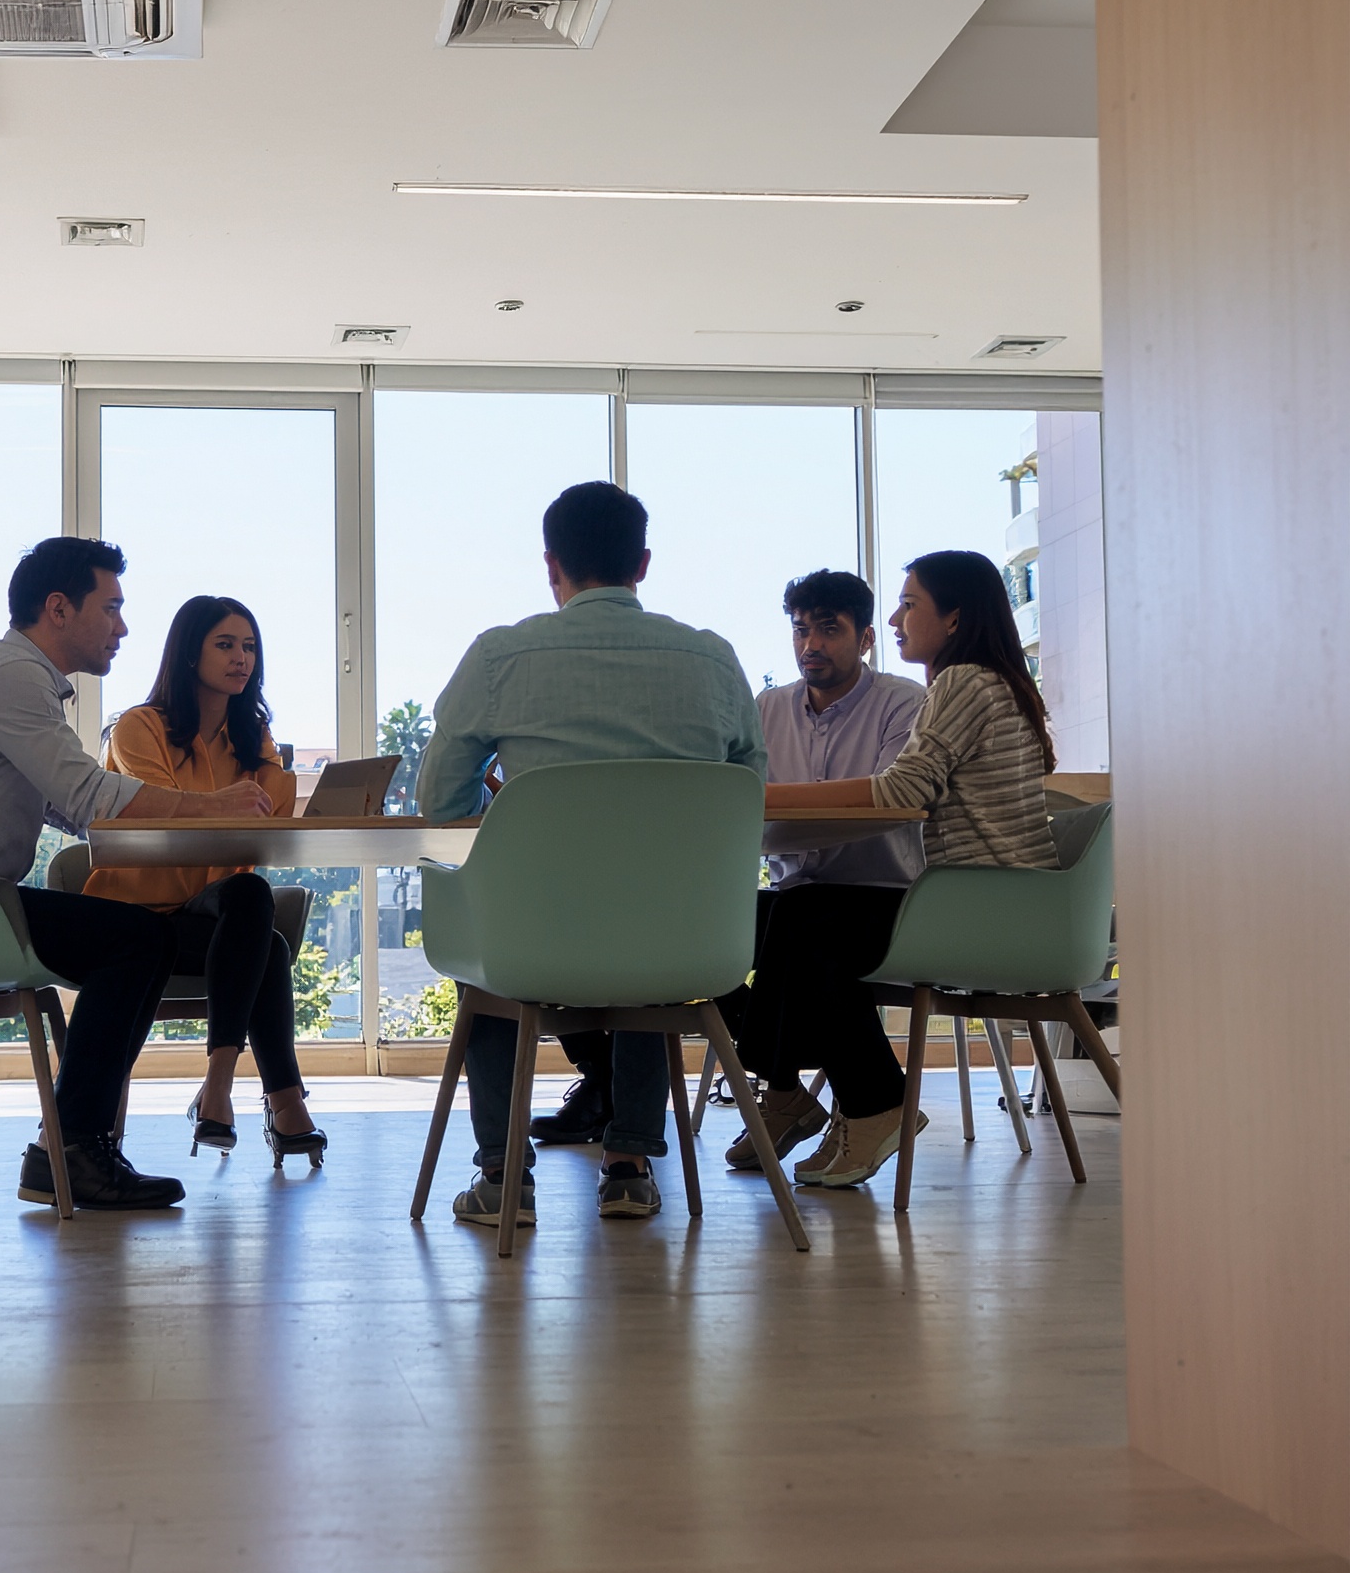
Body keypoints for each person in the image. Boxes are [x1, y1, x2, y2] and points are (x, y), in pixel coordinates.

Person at [0, 538, 272, 1211]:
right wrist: (210, 807)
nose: (122, 628)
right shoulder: (11, 677)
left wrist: (159, 815)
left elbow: (73, 806)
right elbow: (90, 797)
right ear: (58, 609)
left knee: (147, 937)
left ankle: (73, 1146)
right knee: (137, 938)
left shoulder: (18, 680)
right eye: (110, 608)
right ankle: (72, 1149)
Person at [415, 481, 766, 1229]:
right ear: (642, 564)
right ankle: (630, 1166)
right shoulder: (712, 659)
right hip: (683, 939)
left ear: (552, 565)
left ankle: (504, 1176)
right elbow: (748, 794)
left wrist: (521, 804)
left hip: (534, 936)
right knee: (650, 939)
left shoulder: (500, 656)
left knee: (487, 953)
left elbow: (440, 800)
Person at [541, 567, 928, 1162]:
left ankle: (830, 1094)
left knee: (800, 917)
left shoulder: (902, 703)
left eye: (829, 630)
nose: (811, 644)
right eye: (800, 630)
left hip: (885, 899)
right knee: (673, 926)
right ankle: (786, 1090)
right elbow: (723, 797)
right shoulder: (768, 707)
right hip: (798, 899)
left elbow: (889, 804)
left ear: (866, 638)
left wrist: (764, 807)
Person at [748, 548, 1058, 1191]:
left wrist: (764, 798)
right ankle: (809, 1095)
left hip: (986, 913)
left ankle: (870, 1103)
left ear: (954, 618)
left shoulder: (962, 683)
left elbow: (901, 791)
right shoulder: (992, 682)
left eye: (909, 604)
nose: (895, 619)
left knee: (806, 919)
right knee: (787, 915)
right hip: (1012, 906)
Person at [83, 595, 325, 1166]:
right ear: (190, 653)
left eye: (250, 647)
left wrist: (265, 753)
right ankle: (282, 1104)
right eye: (225, 645)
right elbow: (167, 811)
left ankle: (219, 1087)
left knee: (250, 896)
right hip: (134, 921)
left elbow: (274, 821)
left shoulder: (250, 737)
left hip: (201, 915)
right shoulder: (139, 728)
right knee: (267, 946)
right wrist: (233, 800)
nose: (242, 658)